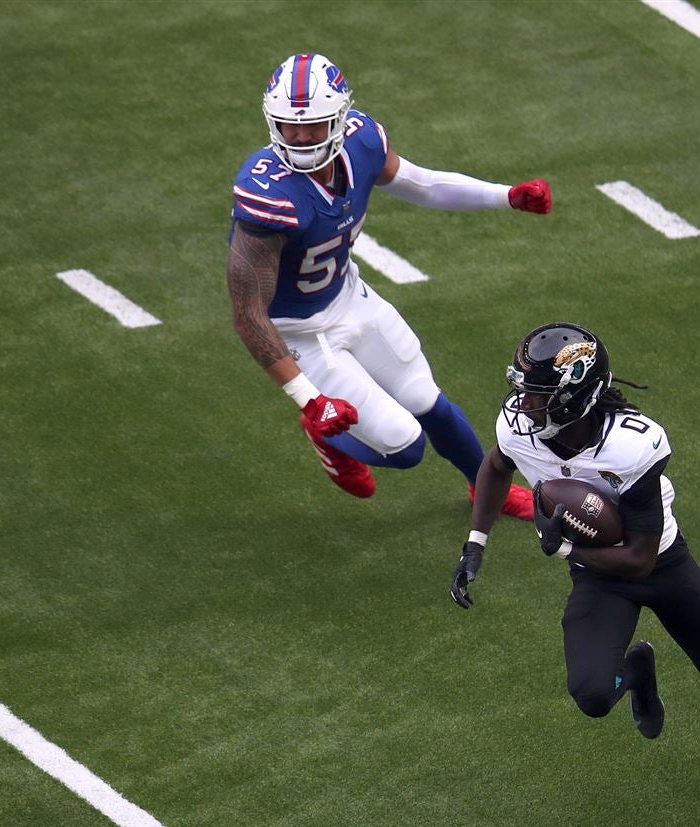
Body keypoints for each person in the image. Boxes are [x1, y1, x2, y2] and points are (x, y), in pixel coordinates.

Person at [449, 323, 700, 799]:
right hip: (599, 577)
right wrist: (475, 544)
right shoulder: (521, 428)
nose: (524, 402)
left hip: (662, 565)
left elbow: (640, 560)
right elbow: (497, 465)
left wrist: (563, 548)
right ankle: (637, 672)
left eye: (538, 393)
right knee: (593, 694)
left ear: (574, 398)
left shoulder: (630, 447)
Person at [227, 52, 548, 517]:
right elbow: (246, 314)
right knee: (405, 447)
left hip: (349, 297)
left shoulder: (361, 142)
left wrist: (506, 197)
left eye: (312, 125)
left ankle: (487, 490)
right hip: (301, 333)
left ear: (339, 118)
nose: (298, 136)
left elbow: (421, 184)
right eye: (287, 125)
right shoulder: (266, 192)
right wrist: (310, 400)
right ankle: (326, 436)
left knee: (426, 398)